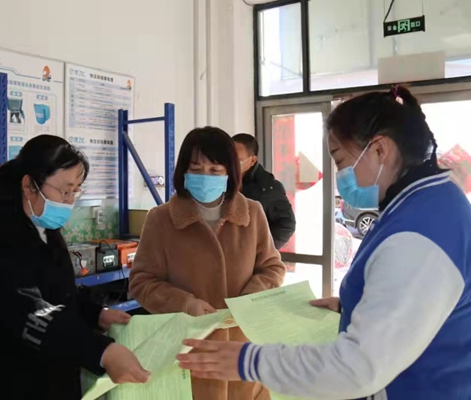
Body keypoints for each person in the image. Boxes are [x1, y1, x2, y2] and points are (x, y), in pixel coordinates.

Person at [177, 87, 471, 399]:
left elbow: (357, 369)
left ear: (379, 150)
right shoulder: (433, 202)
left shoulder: (418, 233)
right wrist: (355, 304)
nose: (340, 175)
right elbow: (418, 301)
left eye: (340, 160)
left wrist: (249, 361)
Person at [0, 135, 150, 400]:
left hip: (49, 377)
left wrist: (96, 313)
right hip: (5, 381)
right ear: (29, 185)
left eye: (75, 191)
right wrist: (100, 351)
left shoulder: (43, 227)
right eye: (64, 190)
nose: (69, 200)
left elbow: (58, 291)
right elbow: (27, 310)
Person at [129, 126, 286, 400]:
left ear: (230, 173)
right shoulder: (161, 219)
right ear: (183, 172)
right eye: (196, 169)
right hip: (186, 348)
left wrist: (250, 298)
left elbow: (272, 268)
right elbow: (142, 282)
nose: (205, 177)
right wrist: (184, 303)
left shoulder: (252, 213)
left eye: (215, 170)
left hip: (242, 348)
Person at [232, 134, 295, 249]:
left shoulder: (268, 187)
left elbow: (286, 225)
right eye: (227, 158)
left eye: (237, 160)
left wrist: (261, 250)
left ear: (252, 160)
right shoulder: (220, 177)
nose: (230, 164)